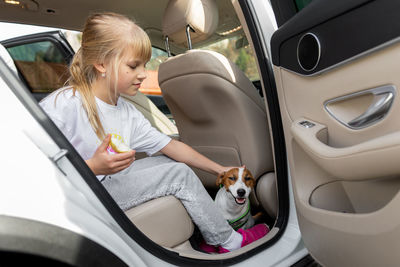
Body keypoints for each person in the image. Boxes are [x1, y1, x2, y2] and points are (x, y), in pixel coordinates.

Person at [39, 12, 268, 253]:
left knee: (168, 160)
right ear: (102, 64)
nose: (142, 73)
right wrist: (94, 166)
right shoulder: (65, 104)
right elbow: (37, 165)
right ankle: (229, 242)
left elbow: (173, 147)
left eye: (144, 65)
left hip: (107, 182)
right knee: (178, 174)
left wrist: (219, 169)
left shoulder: (126, 111)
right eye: (133, 65)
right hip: (85, 193)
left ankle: (208, 234)